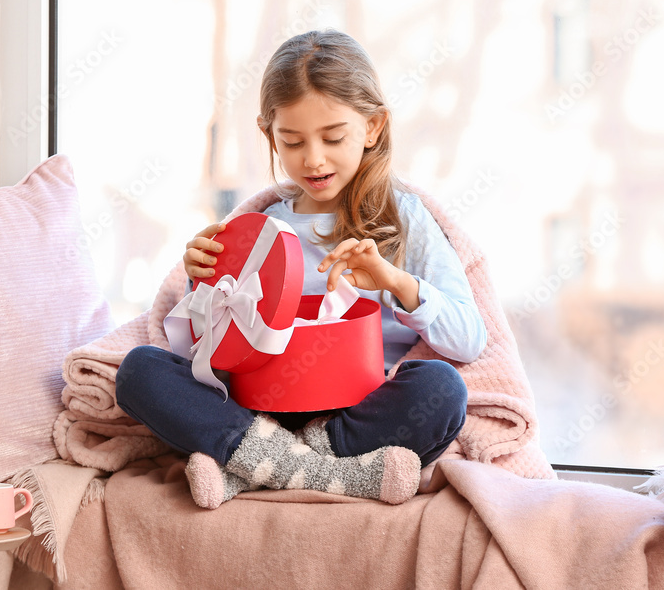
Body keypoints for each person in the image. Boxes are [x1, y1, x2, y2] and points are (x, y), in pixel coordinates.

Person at [115, 30, 485, 509]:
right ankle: (325, 472)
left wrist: (395, 282)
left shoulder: (405, 219)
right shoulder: (262, 227)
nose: (313, 158)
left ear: (373, 128)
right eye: (292, 142)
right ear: (269, 134)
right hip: (261, 409)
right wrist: (202, 281)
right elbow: (213, 346)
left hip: (358, 412)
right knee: (138, 372)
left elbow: (469, 339)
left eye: (333, 138)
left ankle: (254, 469)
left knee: (442, 390)